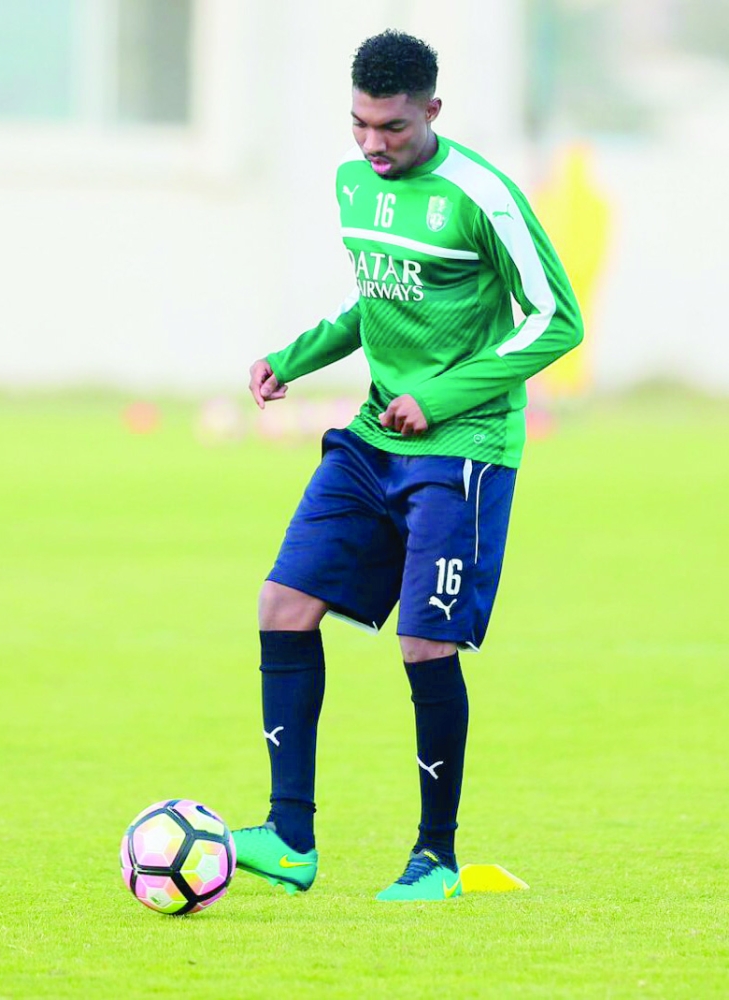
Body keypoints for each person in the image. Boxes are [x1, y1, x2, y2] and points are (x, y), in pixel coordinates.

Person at [232, 29, 583, 901]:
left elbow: (557, 319)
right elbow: (379, 300)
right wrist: (294, 358)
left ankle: (435, 859)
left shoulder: (484, 198)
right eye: (359, 124)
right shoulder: (353, 183)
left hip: (461, 450)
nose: (372, 144)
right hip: (372, 438)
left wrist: (442, 396)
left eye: (391, 127)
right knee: (283, 605)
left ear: (432, 110)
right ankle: (289, 837)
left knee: (425, 643)